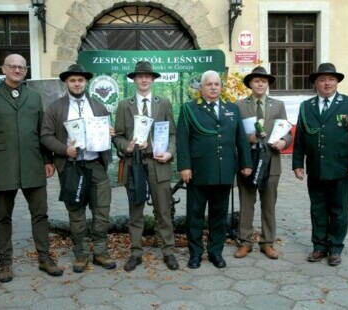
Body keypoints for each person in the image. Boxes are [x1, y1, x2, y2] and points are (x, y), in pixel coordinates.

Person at [0, 54, 62, 283]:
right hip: (3, 165)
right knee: (2, 216)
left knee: (40, 214)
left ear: (26, 70)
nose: (17, 70)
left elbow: (42, 132)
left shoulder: (34, 97)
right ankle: (5, 263)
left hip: (33, 164)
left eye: (21, 67)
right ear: (3, 69)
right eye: (12, 66)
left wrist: (47, 160)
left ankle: (45, 258)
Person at [40, 64, 116, 272]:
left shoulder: (99, 106)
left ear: (86, 82)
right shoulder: (56, 108)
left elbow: (108, 133)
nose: (76, 83)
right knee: (76, 212)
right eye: (72, 80)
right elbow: (45, 136)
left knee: (102, 210)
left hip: (96, 165)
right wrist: (65, 150)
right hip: (71, 166)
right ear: (66, 82)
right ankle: (81, 254)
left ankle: (100, 252)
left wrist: (110, 133)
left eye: (80, 80)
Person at [292, 63, 348, 266]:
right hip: (316, 167)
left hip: (340, 168)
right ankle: (318, 246)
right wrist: (297, 163)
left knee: (338, 209)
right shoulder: (306, 106)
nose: (327, 83)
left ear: (337, 82)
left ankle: (335, 248)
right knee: (317, 209)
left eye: (331, 79)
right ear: (315, 83)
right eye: (322, 79)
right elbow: (300, 136)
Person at [176, 70, 253, 269]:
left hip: (223, 171)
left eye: (216, 84)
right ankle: (195, 254)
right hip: (199, 171)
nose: (213, 87)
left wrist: (246, 163)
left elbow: (241, 140)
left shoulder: (232, 109)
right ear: (201, 88)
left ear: (221, 87)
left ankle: (215, 252)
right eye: (208, 84)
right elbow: (182, 140)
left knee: (219, 215)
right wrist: (184, 166)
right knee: (195, 215)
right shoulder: (189, 109)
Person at [113, 61, 179, 271]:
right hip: (135, 164)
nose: (143, 79)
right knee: (136, 210)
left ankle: (168, 250)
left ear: (152, 79)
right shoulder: (125, 105)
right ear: (134, 79)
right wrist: (128, 147)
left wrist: (169, 152)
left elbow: (172, 134)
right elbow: (119, 137)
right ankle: (135, 252)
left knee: (163, 210)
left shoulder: (164, 102)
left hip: (158, 162)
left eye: (147, 76)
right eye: (139, 76)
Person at [234, 66, 292, 260]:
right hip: (248, 162)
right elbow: (233, 133)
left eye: (264, 81)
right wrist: (247, 138)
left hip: (271, 161)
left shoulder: (277, 105)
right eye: (256, 80)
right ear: (250, 83)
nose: (260, 83)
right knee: (247, 203)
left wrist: (284, 142)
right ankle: (245, 241)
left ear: (268, 84)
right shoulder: (240, 105)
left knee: (269, 205)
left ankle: (267, 242)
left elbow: (287, 132)